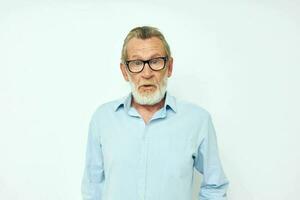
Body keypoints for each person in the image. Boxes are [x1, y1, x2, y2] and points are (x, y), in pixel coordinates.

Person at [81, 26, 229, 200]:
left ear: (170, 67)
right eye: (136, 63)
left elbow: (215, 187)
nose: (147, 73)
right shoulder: (103, 118)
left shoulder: (198, 121)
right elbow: (92, 187)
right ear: (124, 72)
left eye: (156, 61)